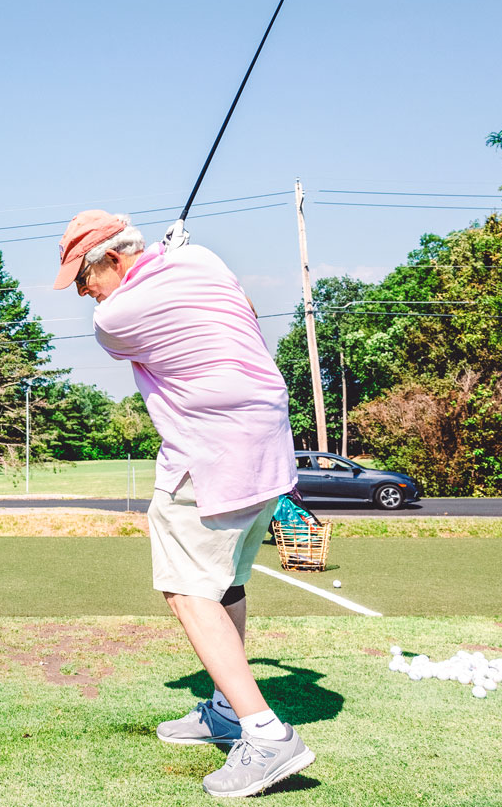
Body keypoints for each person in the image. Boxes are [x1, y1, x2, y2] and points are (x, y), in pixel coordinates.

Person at [57, 210, 311, 798]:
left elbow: (122, 315)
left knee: (188, 592)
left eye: (83, 276)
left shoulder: (114, 316)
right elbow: (219, 302)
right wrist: (168, 257)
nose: (82, 291)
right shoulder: (202, 260)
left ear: (114, 261)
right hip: (268, 443)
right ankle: (226, 709)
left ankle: (266, 734)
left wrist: (149, 270)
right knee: (227, 581)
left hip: (210, 451)